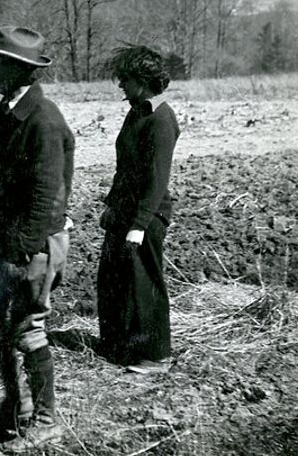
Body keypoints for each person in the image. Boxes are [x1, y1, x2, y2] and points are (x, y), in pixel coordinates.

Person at [0, 26, 74, 453]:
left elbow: (47, 191)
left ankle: (46, 419)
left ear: (17, 69)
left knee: (28, 328)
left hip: (34, 242)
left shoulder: (43, 119)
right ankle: (21, 405)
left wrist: (24, 250)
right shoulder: (10, 110)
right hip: (10, 237)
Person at [97, 45, 180, 375]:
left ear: (143, 80)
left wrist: (139, 223)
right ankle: (120, 345)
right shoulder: (138, 112)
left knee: (144, 282)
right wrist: (111, 206)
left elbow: (156, 180)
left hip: (147, 214)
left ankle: (156, 355)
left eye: (125, 79)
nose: (120, 85)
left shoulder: (160, 119)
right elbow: (125, 168)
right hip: (125, 211)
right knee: (114, 278)